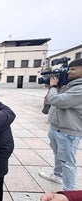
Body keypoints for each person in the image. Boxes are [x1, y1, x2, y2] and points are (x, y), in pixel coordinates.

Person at [38, 58, 82, 190]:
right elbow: (49, 100)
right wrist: (53, 88)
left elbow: (55, 99)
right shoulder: (70, 85)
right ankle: (57, 175)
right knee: (58, 154)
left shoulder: (79, 88)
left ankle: (69, 192)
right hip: (57, 127)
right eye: (69, 68)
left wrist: (53, 87)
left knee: (67, 162)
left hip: (68, 131)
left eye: (73, 69)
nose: (69, 71)